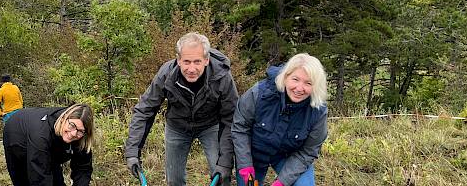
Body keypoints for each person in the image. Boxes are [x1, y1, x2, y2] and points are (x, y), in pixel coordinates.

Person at [125, 32, 239, 186]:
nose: (191, 69)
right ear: (178, 60)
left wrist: (225, 162)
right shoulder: (166, 74)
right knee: (174, 180)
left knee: (221, 176)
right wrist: (132, 151)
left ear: (206, 60)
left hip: (211, 126)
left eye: (197, 62)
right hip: (177, 127)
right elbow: (145, 110)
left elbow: (231, 118)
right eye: (186, 62)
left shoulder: (222, 76)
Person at [231, 53, 328, 186]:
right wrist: (245, 164)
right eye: (295, 79)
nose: (299, 88)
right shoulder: (259, 93)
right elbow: (240, 127)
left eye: (308, 83)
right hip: (254, 153)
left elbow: (308, 151)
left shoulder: (318, 111)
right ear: (286, 76)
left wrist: (282, 182)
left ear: (316, 86)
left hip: (288, 156)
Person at [2, 103, 95, 186]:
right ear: (64, 119)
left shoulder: (82, 136)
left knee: (56, 179)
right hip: (17, 134)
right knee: (27, 179)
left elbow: (83, 169)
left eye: (80, 131)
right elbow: (39, 176)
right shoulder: (41, 135)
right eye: (72, 125)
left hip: (48, 140)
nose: (73, 133)